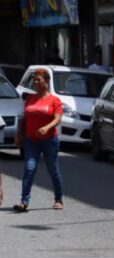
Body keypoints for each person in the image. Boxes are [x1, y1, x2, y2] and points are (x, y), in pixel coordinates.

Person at [12, 69, 64, 213]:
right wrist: (18, 134)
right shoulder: (30, 98)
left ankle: (58, 199)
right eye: (34, 80)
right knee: (29, 168)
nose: (35, 82)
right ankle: (24, 202)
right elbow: (24, 117)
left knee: (52, 169)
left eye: (38, 80)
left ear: (46, 82)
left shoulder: (54, 100)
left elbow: (58, 118)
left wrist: (46, 128)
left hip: (49, 140)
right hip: (31, 140)